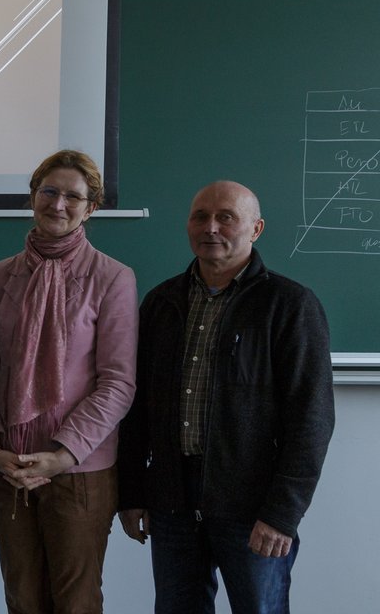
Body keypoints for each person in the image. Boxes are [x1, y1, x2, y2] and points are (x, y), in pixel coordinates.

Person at [117, 180, 334, 614]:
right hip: (172, 502)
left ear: (256, 229)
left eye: (226, 218)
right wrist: (132, 491)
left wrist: (282, 514)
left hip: (253, 507)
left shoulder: (290, 305)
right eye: (200, 216)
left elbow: (311, 420)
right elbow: (137, 408)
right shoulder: (162, 302)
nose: (210, 227)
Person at [0, 149, 137, 613]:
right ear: (33, 196)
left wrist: (62, 455)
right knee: (22, 600)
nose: (58, 204)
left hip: (79, 473)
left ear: (91, 207)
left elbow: (118, 383)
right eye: (49, 191)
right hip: (10, 470)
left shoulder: (113, 278)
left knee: (75, 604)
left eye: (73, 196)